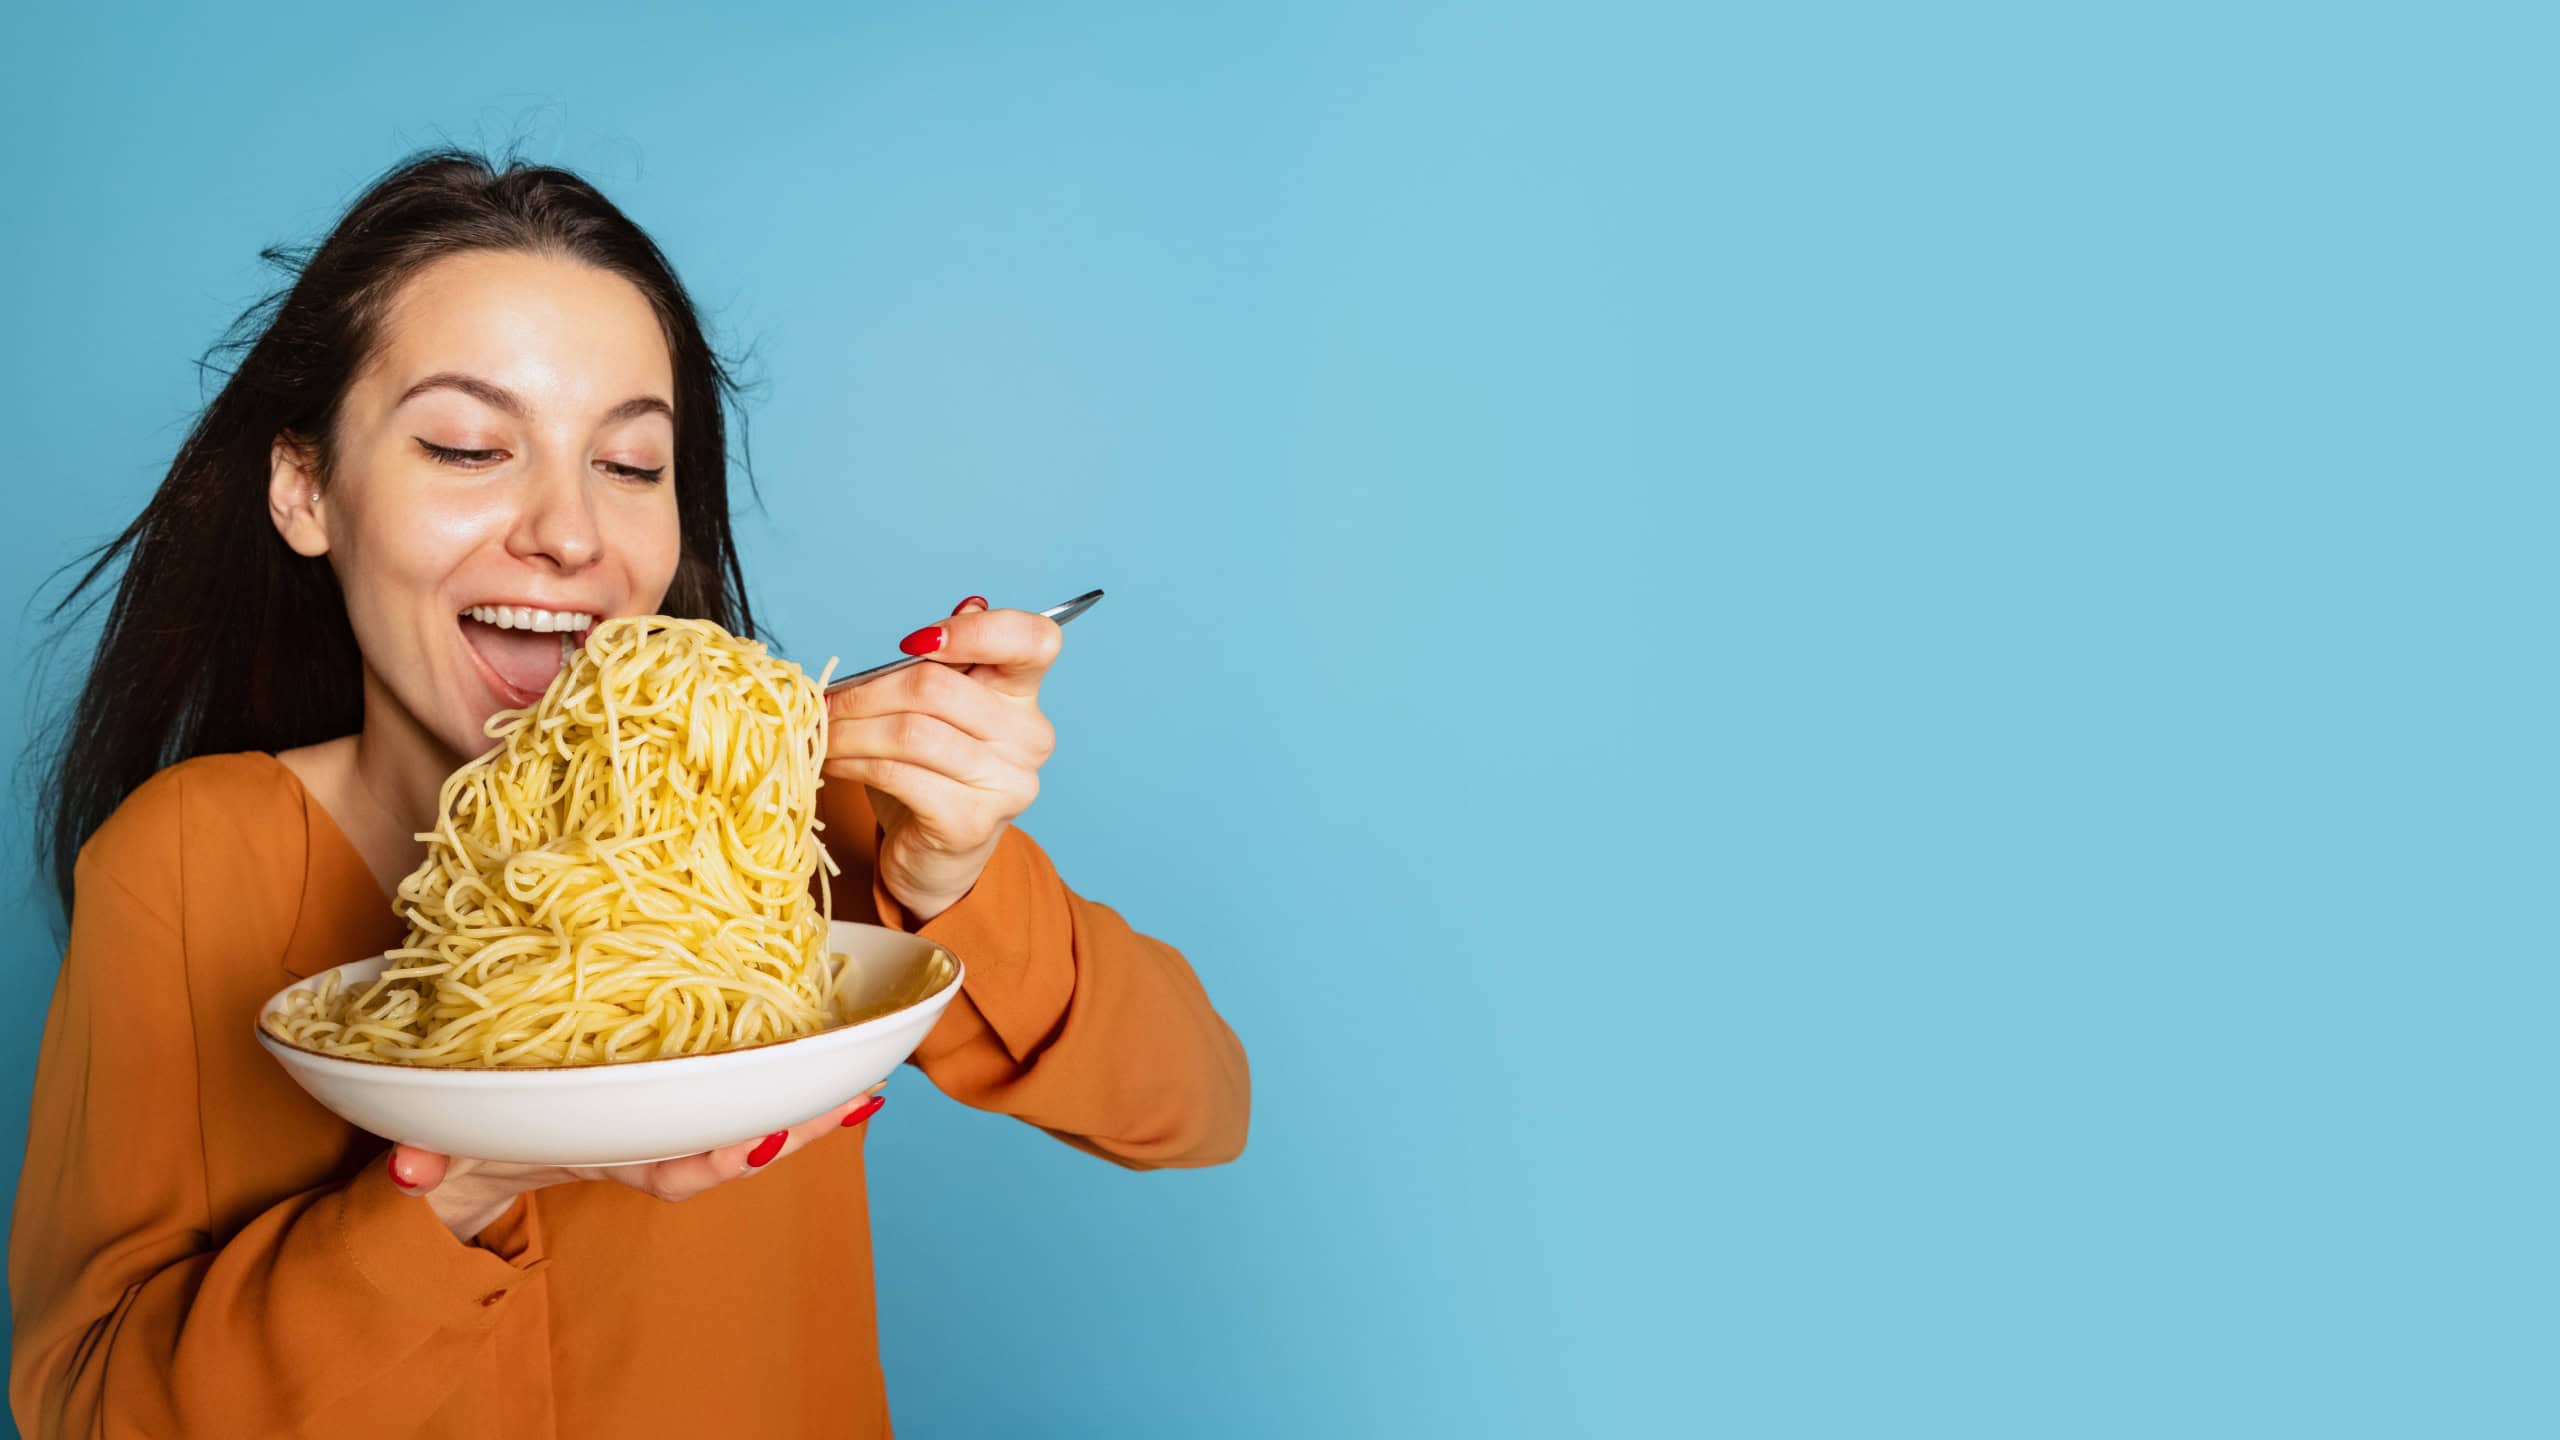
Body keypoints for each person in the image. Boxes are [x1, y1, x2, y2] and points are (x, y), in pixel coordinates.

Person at [8, 147, 1251, 1439]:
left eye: (631, 465)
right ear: (306, 488)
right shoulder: (192, 860)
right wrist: (449, 1188)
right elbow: (88, 1410)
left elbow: (1198, 1106)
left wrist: (955, 881)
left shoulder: (781, 821)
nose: (568, 531)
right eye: (467, 445)